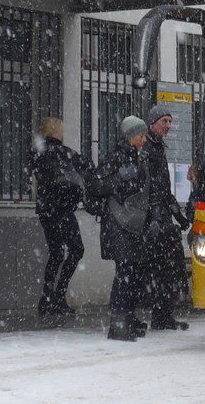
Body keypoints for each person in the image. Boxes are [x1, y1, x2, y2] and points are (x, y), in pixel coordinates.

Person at [95, 116, 152, 341]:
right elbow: (95, 186)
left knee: (133, 274)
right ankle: (118, 324)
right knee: (125, 273)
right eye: (141, 135)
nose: (145, 139)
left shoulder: (138, 158)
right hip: (118, 224)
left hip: (133, 224)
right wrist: (118, 178)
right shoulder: (115, 159)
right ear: (130, 137)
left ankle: (126, 319)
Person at [30, 117, 91, 316]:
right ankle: (58, 296)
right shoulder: (64, 153)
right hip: (63, 209)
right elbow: (88, 165)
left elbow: (39, 173)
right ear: (57, 132)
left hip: (47, 210)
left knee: (56, 253)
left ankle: (47, 298)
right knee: (76, 250)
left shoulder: (38, 152)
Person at [140, 105, 191, 331]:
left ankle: (164, 315)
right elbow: (149, 189)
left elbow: (163, 189)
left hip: (162, 219)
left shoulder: (158, 147)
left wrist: (177, 214)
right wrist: (154, 216)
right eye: (164, 122)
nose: (168, 126)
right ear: (152, 124)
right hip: (154, 221)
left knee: (169, 269)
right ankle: (158, 315)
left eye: (170, 122)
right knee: (159, 269)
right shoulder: (147, 149)